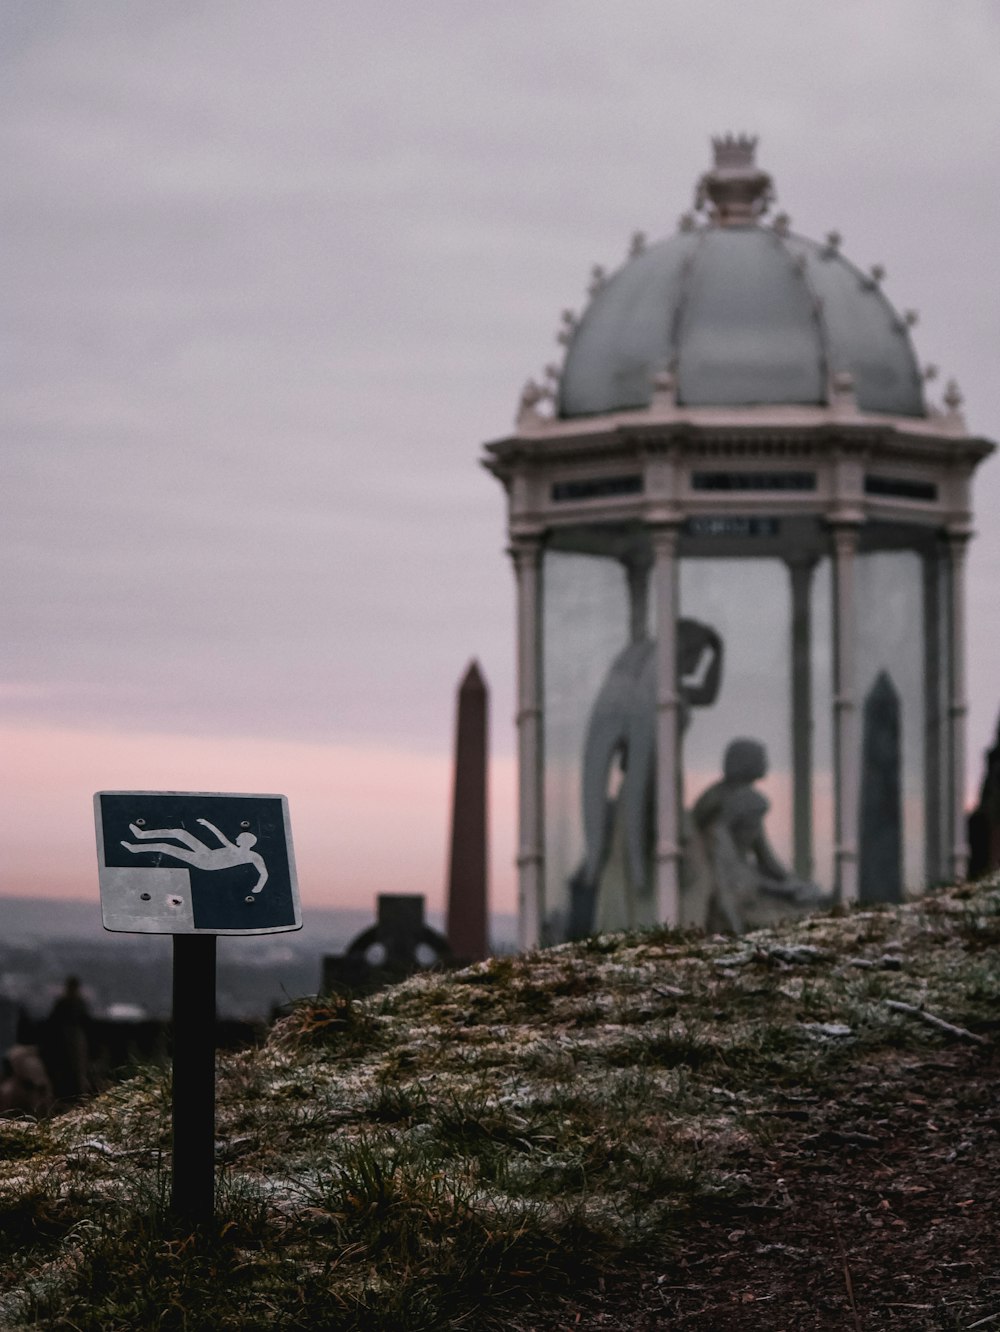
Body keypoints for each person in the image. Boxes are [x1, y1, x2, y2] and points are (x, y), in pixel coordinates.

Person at [688, 738, 825, 933]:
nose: (766, 763)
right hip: (731, 896)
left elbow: (767, 859)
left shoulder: (744, 800)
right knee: (796, 918)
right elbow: (731, 873)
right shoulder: (735, 805)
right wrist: (784, 889)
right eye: (761, 758)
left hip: (746, 887)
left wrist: (795, 884)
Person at [121, 818, 268, 893]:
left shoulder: (252, 856)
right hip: (207, 854)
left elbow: (264, 874)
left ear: (246, 841)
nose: (236, 839)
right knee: (180, 832)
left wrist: (258, 887)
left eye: (239, 838)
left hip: (206, 863)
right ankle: (141, 834)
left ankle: (135, 848)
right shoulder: (238, 849)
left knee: (165, 847)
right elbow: (221, 837)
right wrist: (208, 824)